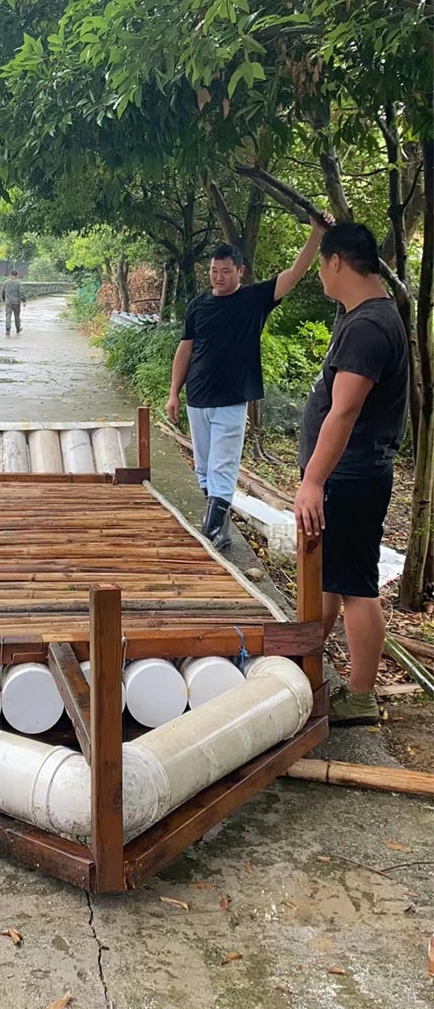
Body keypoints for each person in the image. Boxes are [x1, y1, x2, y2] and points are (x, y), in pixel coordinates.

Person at [295, 223, 408, 727]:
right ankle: (305, 656)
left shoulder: (368, 328)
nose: (320, 275)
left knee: (357, 586)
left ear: (337, 261)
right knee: (331, 577)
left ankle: (361, 696)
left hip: (351, 478)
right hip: (347, 475)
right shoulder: (362, 315)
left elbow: (344, 411)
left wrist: (314, 481)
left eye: (321, 264)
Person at [167, 222, 327, 550]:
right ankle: (219, 529)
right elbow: (185, 349)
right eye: (214, 271)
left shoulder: (254, 299)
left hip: (232, 399)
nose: (218, 277)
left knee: (223, 465)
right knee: (203, 468)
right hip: (197, 397)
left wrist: (316, 233)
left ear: (240, 271)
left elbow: (295, 273)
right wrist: (174, 393)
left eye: (225, 271)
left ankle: (210, 531)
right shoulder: (198, 305)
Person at [2, 269, 26, 337]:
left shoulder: (6, 282)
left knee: (8, 316)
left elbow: (3, 292)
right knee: (17, 316)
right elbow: (22, 292)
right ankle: (18, 329)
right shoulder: (19, 282)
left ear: (10, 275)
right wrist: (24, 300)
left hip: (8, 302)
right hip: (16, 302)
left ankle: (7, 330)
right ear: (17, 275)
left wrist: (4, 299)